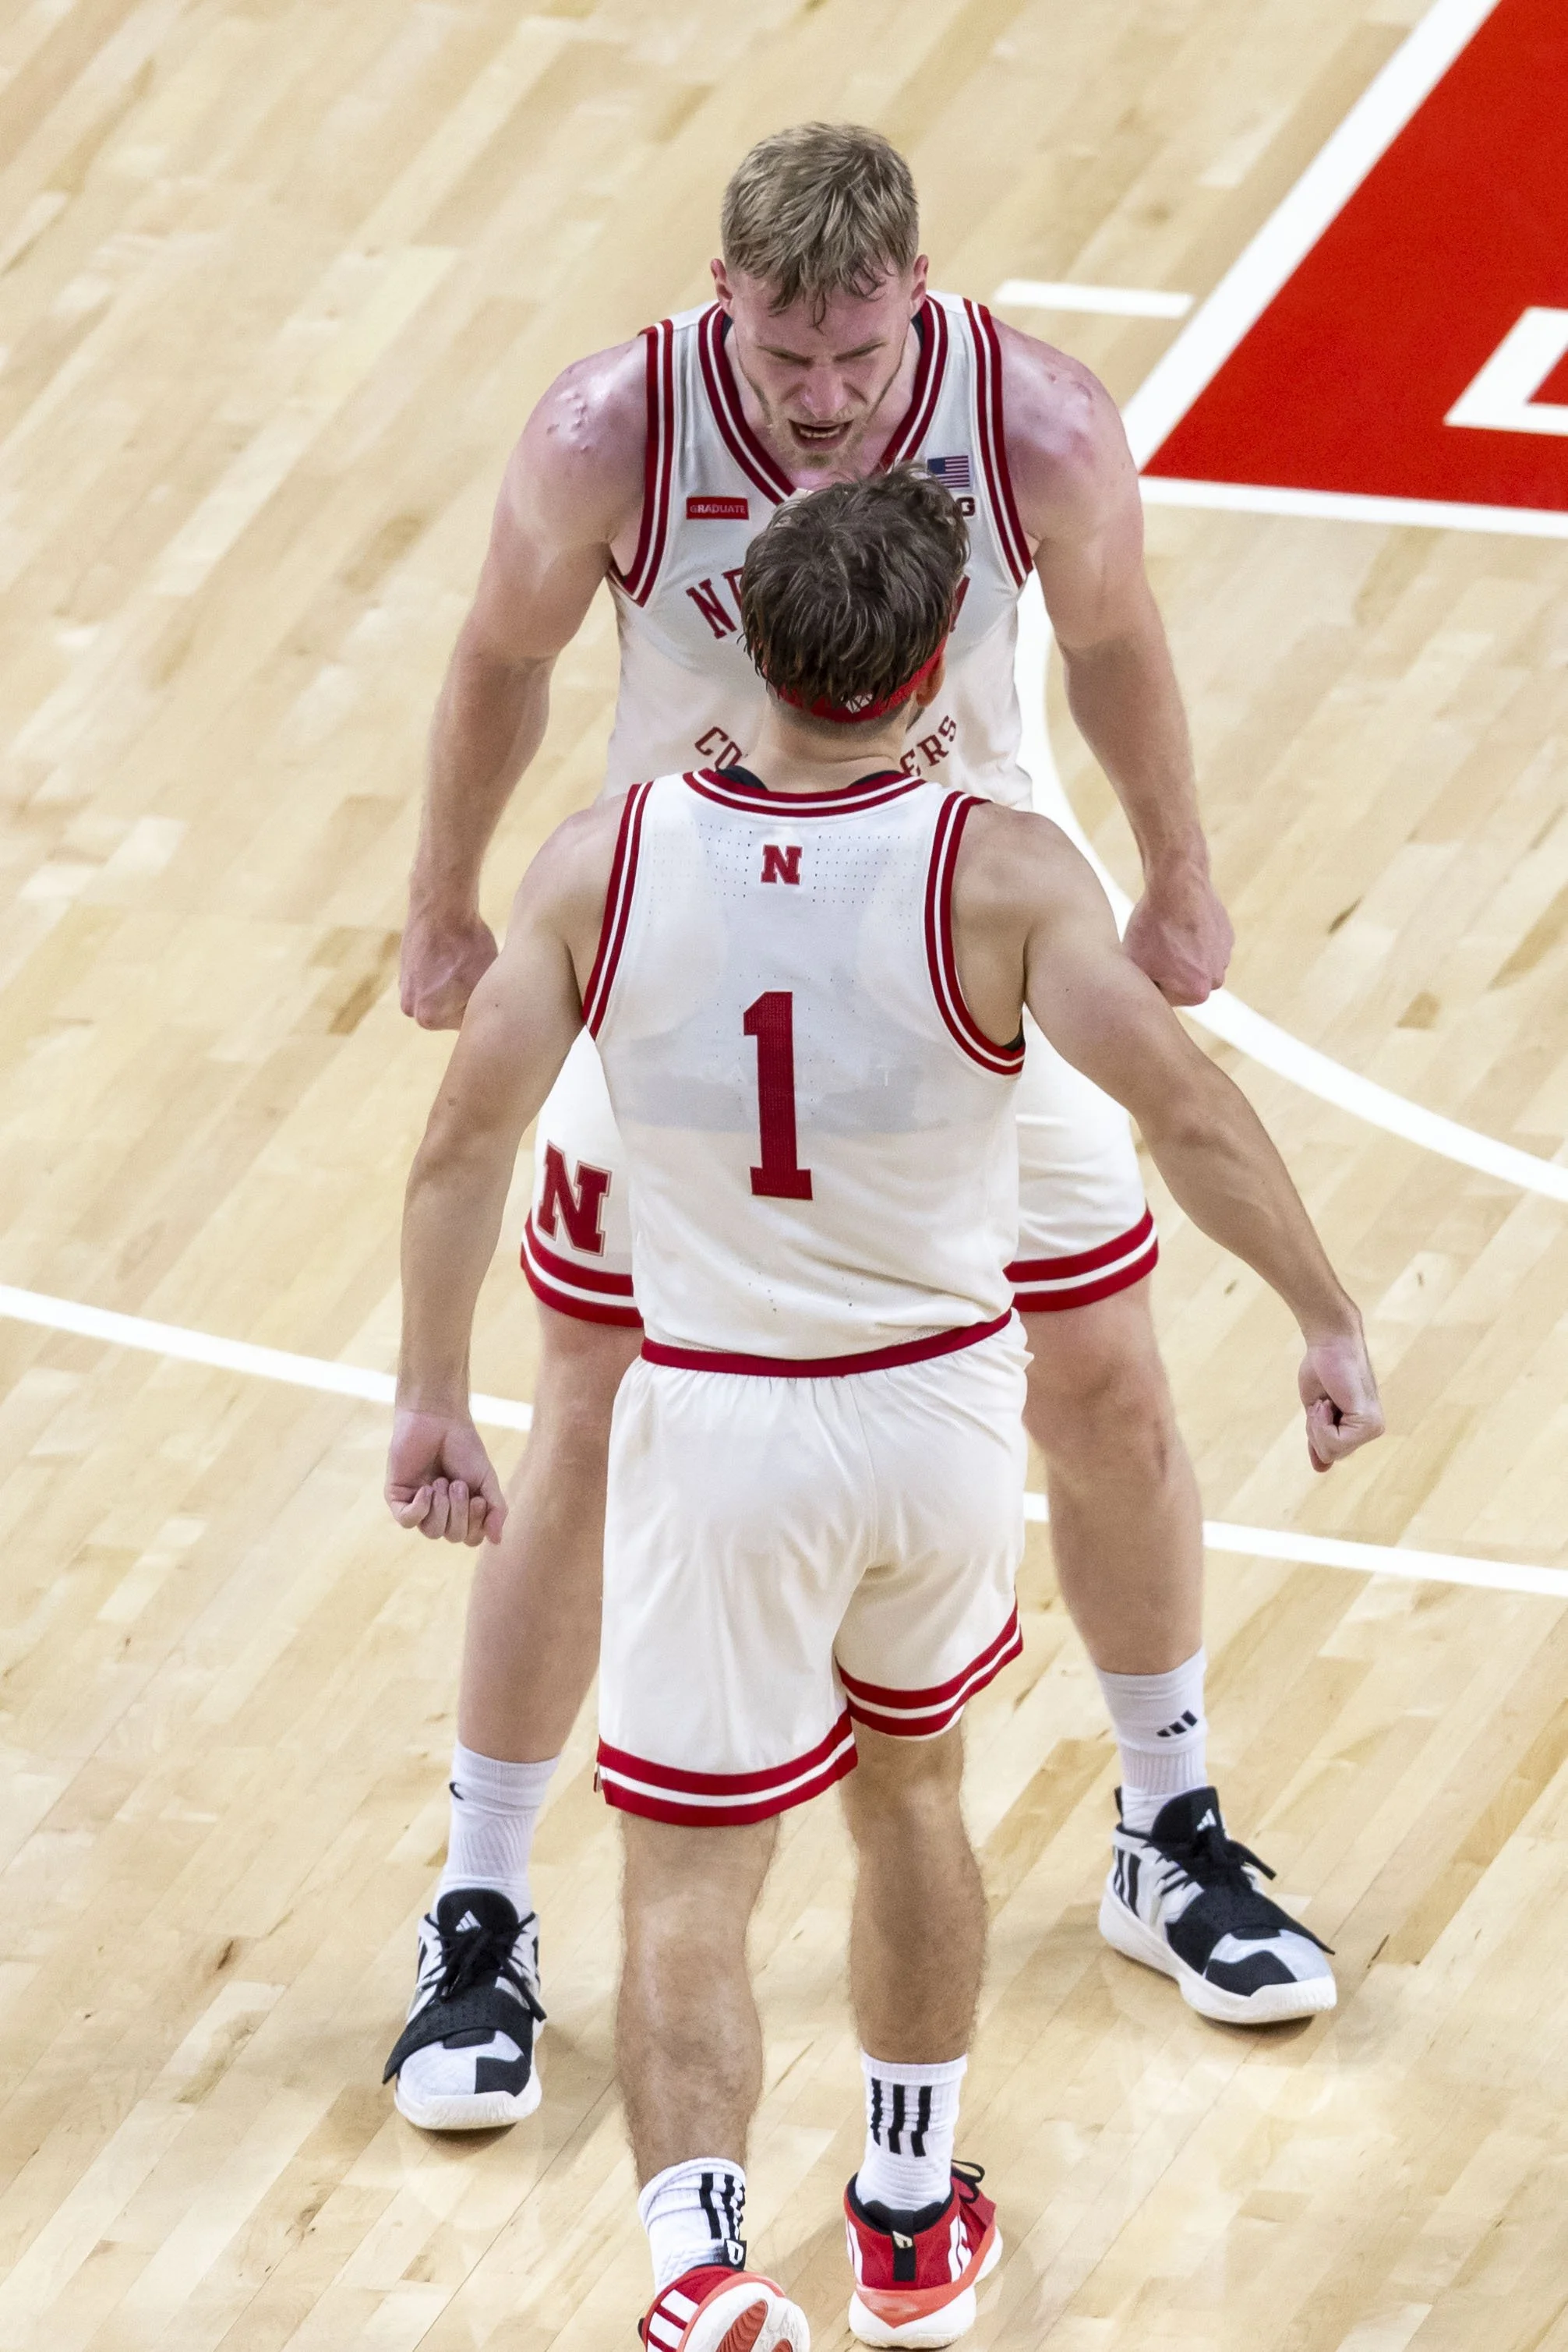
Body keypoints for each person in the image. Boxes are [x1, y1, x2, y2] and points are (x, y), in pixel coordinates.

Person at [386, 470, 1383, 2348]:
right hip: (936, 1423)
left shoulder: (601, 863)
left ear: (737, 644)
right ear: (937, 673)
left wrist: (435, 1392)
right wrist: (1322, 1313)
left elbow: (461, 1141)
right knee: (911, 1793)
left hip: (725, 1422)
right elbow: (1181, 1109)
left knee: (688, 1869)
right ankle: (911, 2212)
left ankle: (696, 2269)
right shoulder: (1000, 872)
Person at [387, 118, 1301, 2133]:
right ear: (725, 308)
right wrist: (450, 893)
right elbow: (499, 659)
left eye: (857, 364)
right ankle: (479, 1906)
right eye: (784, 365)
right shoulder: (609, 427)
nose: (820, 405)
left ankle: (1168, 1824)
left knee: (1112, 1382)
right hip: (699, 937)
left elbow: (1123, 645)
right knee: (593, 1408)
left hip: (968, 919)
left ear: (919, 302)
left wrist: (1175, 869)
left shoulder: (1034, 420)